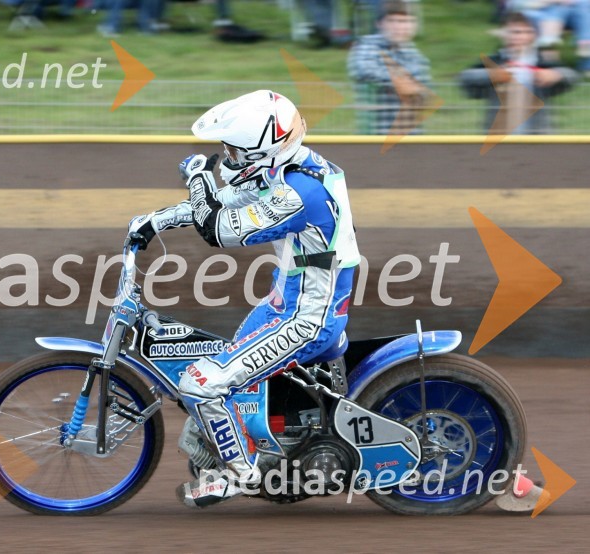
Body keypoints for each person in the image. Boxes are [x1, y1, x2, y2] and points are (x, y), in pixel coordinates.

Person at [127, 90, 361, 508]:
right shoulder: (288, 170)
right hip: (284, 301)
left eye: (234, 152)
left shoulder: (298, 193)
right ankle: (252, 449)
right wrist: (153, 221)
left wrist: (198, 175)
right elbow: (225, 204)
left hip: (308, 319)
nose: (227, 159)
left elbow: (217, 230)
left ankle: (240, 472)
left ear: (265, 150)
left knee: (202, 383)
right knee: (229, 381)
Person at [459, 11, 579, 134]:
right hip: (499, 137)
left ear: (534, 35)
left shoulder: (542, 61)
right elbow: (466, 77)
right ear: (503, 33)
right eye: (515, 32)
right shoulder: (494, 60)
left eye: (527, 32)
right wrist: (493, 75)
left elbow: (572, 75)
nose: (521, 37)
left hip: (538, 137)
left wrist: (556, 75)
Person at [347, 0, 431, 135]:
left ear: (414, 26)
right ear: (379, 24)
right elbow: (364, 70)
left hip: (411, 134)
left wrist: (414, 90)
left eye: (405, 22)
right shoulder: (367, 45)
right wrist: (402, 83)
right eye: (392, 21)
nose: (398, 27)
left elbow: (424, 94)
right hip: (375, 133)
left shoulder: (417, 57)